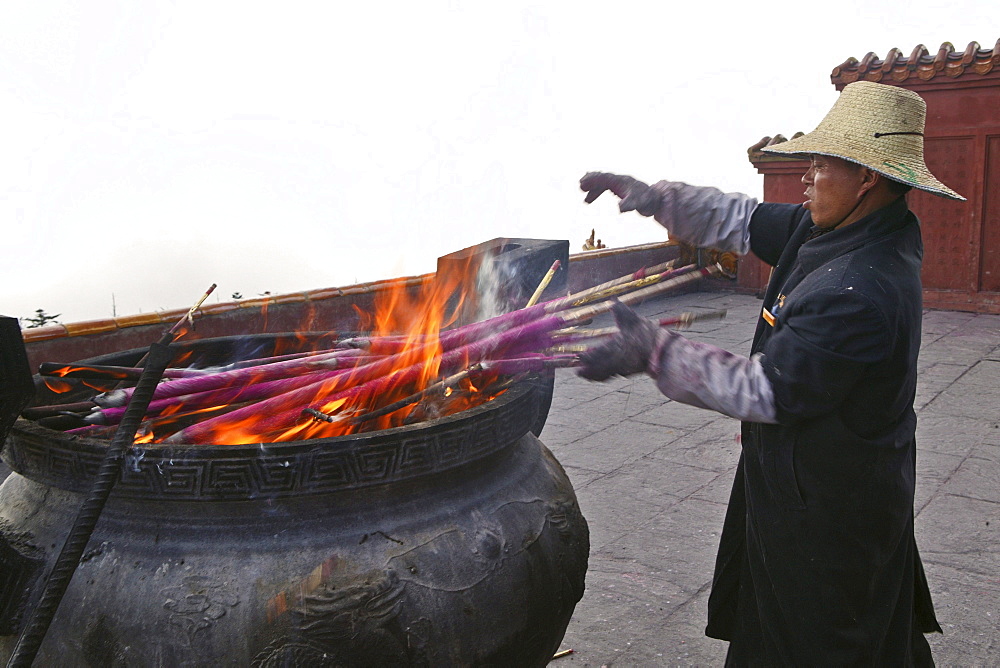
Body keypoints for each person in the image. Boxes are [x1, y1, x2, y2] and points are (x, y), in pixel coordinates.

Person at [577, 80, 964, 665]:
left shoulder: (861, 290)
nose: (806, 177)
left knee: (825, 641)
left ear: (867, 177)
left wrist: (654, 353)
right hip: (806, 480)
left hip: (831, 510)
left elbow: (765, 387)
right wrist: (654, 197)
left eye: (820, 165)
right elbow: (743, 219)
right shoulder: (844, 225)